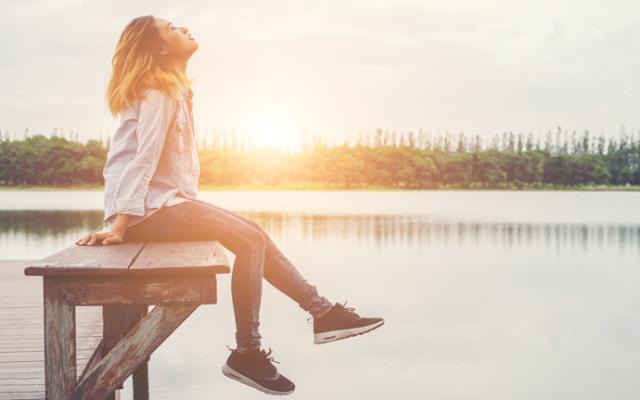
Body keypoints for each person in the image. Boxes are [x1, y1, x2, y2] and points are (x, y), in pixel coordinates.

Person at [75, 15, 384, 395]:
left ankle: (322, 314)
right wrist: (121, 224)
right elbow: (144, 158)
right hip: (147, 212)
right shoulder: (157, 91)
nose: (184, 28)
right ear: (159, 48)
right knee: (249, 240)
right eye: (172, 28)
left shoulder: (175, 90)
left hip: (164, 205)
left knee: (253, 233)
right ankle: (250, 351)